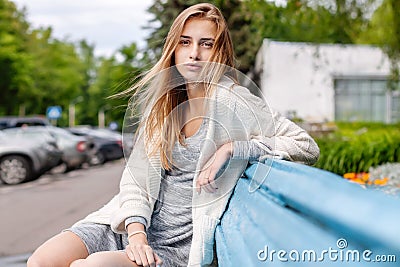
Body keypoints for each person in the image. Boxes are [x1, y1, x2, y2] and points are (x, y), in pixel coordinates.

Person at [27, 3, 319, 267]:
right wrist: (136, 235)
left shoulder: (236, 101)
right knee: (41, 261)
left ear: (220, 52)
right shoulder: (164, 105)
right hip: (129, 225)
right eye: (185, 42)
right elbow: (137, 181)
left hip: (175, 247)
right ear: (174, 49)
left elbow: (305, 146)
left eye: (206, 44)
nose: (194, 53)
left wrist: (234, 148)